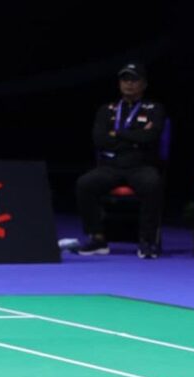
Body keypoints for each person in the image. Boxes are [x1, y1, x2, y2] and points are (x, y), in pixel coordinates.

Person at [74, 62, 166, 259]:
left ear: (144, 84)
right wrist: (134, 138)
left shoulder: (154, 109)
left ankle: (147, 241)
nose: (129, 84)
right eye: (125, 79)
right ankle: (97, 238)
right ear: (119, 83)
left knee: (153, 184)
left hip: (141, 166)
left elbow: (150, 137)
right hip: (112, 166)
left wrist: (117, 134)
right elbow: (99, 140)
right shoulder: (106, 110)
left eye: (134, 79)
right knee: (84, 184)